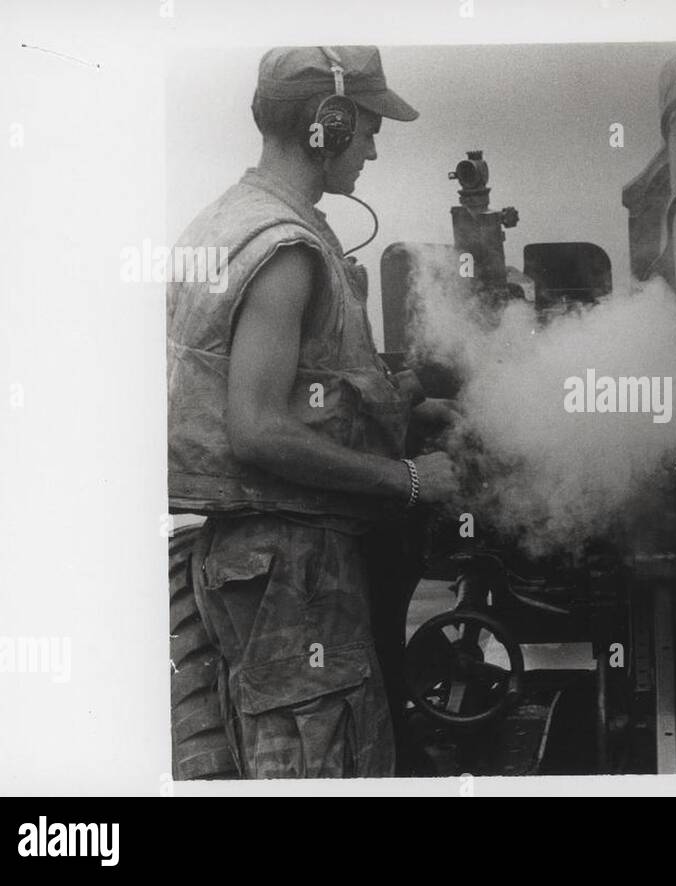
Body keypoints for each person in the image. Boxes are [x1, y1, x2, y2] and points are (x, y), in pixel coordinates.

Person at [167, 46, 457, 778]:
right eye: (365, 126)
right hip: (292, 565)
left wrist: (394, 395)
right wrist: (411, 480)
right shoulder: (286, 248)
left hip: (247, 561)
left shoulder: (223, 224)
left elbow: (292, 389)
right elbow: (258, 427)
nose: (374, 145)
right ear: (325, 123)